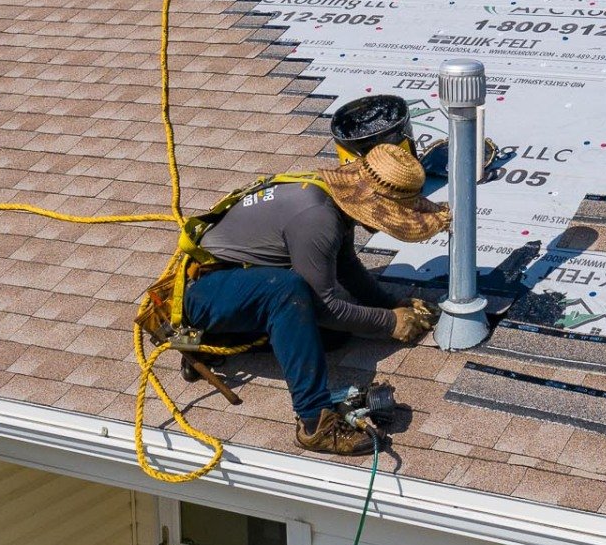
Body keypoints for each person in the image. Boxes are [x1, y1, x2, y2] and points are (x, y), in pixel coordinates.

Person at [180, 143, 447, 453]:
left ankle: (224, 343)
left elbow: (346, 266)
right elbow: (324, 306)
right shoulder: (318, 218)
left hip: (239, 284)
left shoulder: (331, 202)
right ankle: (314, 423)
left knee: (333, 339)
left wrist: (390, 303)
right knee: (288, 291)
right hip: (205, 293)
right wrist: (390, 323)